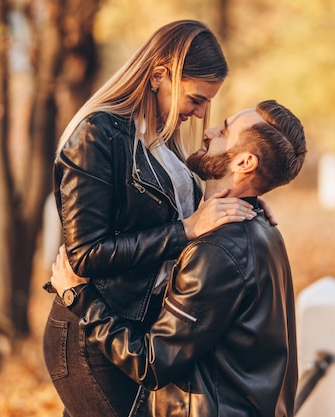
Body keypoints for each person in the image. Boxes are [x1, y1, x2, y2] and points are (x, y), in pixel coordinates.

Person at [43, 20, 266, 417]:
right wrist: (187, 230)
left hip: (138, 336)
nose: (200, 113)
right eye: (196, 99)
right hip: (91, 335)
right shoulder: (98, 134)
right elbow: (85, 253)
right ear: (160, 75)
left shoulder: (162, 141)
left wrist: (247, 196)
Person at [50, 99, 307, 416]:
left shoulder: (217, 251)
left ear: (245, 163)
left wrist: (79, 296)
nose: (210, 130)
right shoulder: (262, 229)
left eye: (224, 131)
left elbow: (152, 364)